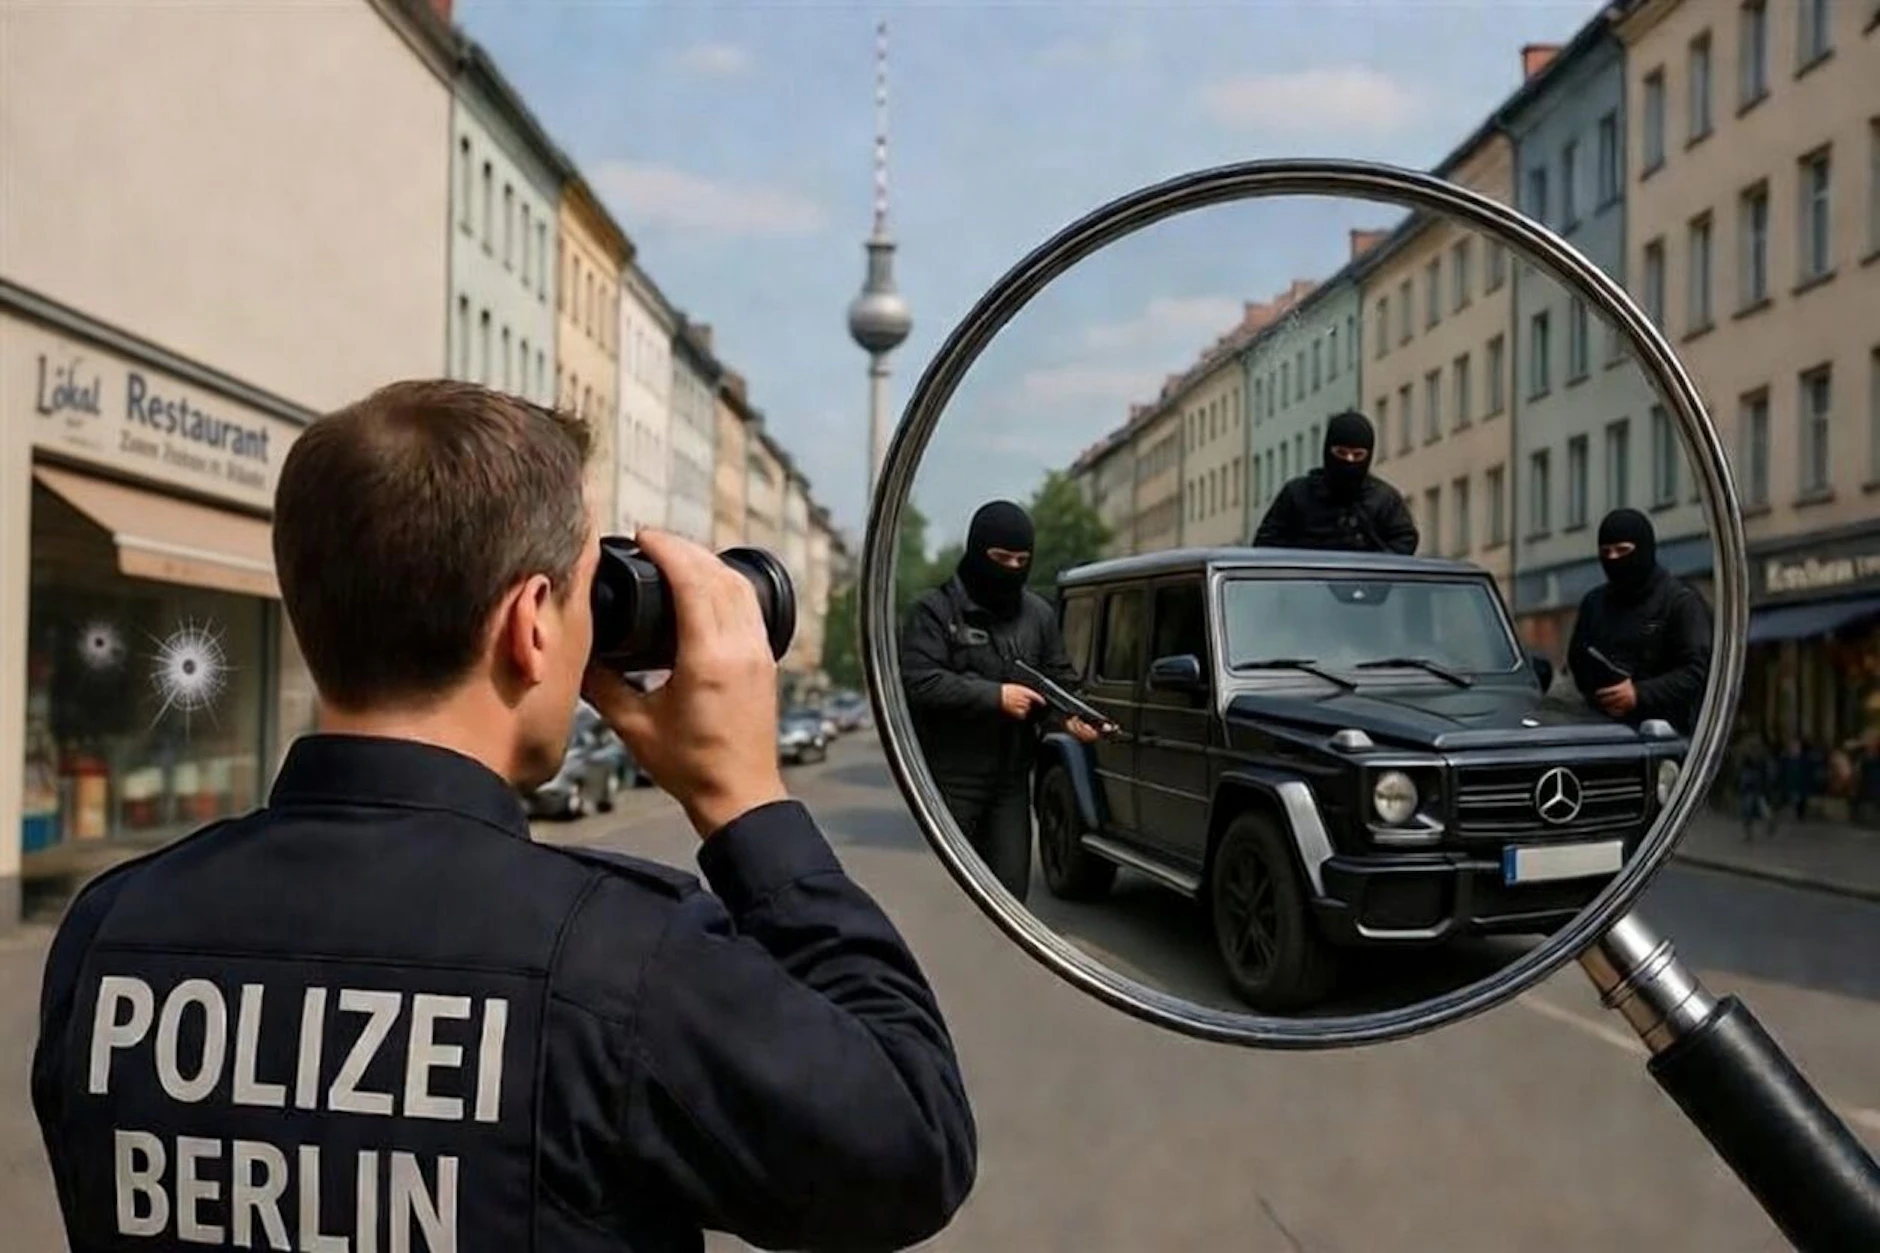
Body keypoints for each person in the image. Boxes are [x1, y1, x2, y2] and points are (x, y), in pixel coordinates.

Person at [31, 381, 976, 1253]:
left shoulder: (109, 934)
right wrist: (745, 798)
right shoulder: (624, 963)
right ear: (530, 623)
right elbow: (911, 1139)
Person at [900, 500, 1101, 903]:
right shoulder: (934, 611)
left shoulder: (1039, 615)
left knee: (1010, 899)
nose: (1011, 569)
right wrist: (996, 697)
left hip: (1011, 784)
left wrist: (1072, 719)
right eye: (1000, 558)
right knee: (949, 901)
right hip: (949, 783)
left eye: (1021, 560)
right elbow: (919, 683)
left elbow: (1059, 680)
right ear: (977, 552)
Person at [1566, 507, 1713, 737]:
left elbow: (1696, 672)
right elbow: (1577, 661)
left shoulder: (1679, 602)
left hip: (1668, 738)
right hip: (1601, 732)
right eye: (1606, 552)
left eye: (1622, 550)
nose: (1614, 559)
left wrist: (1639, 693)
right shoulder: (1594, 603)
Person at [1251, 410, 1419, 554]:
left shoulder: (1385, 501)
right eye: (1341, 453)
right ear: (1327, 450)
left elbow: (1404, 541)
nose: (1349, 461)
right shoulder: (1297, 495)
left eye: (1358, 455)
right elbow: (1266, 547)